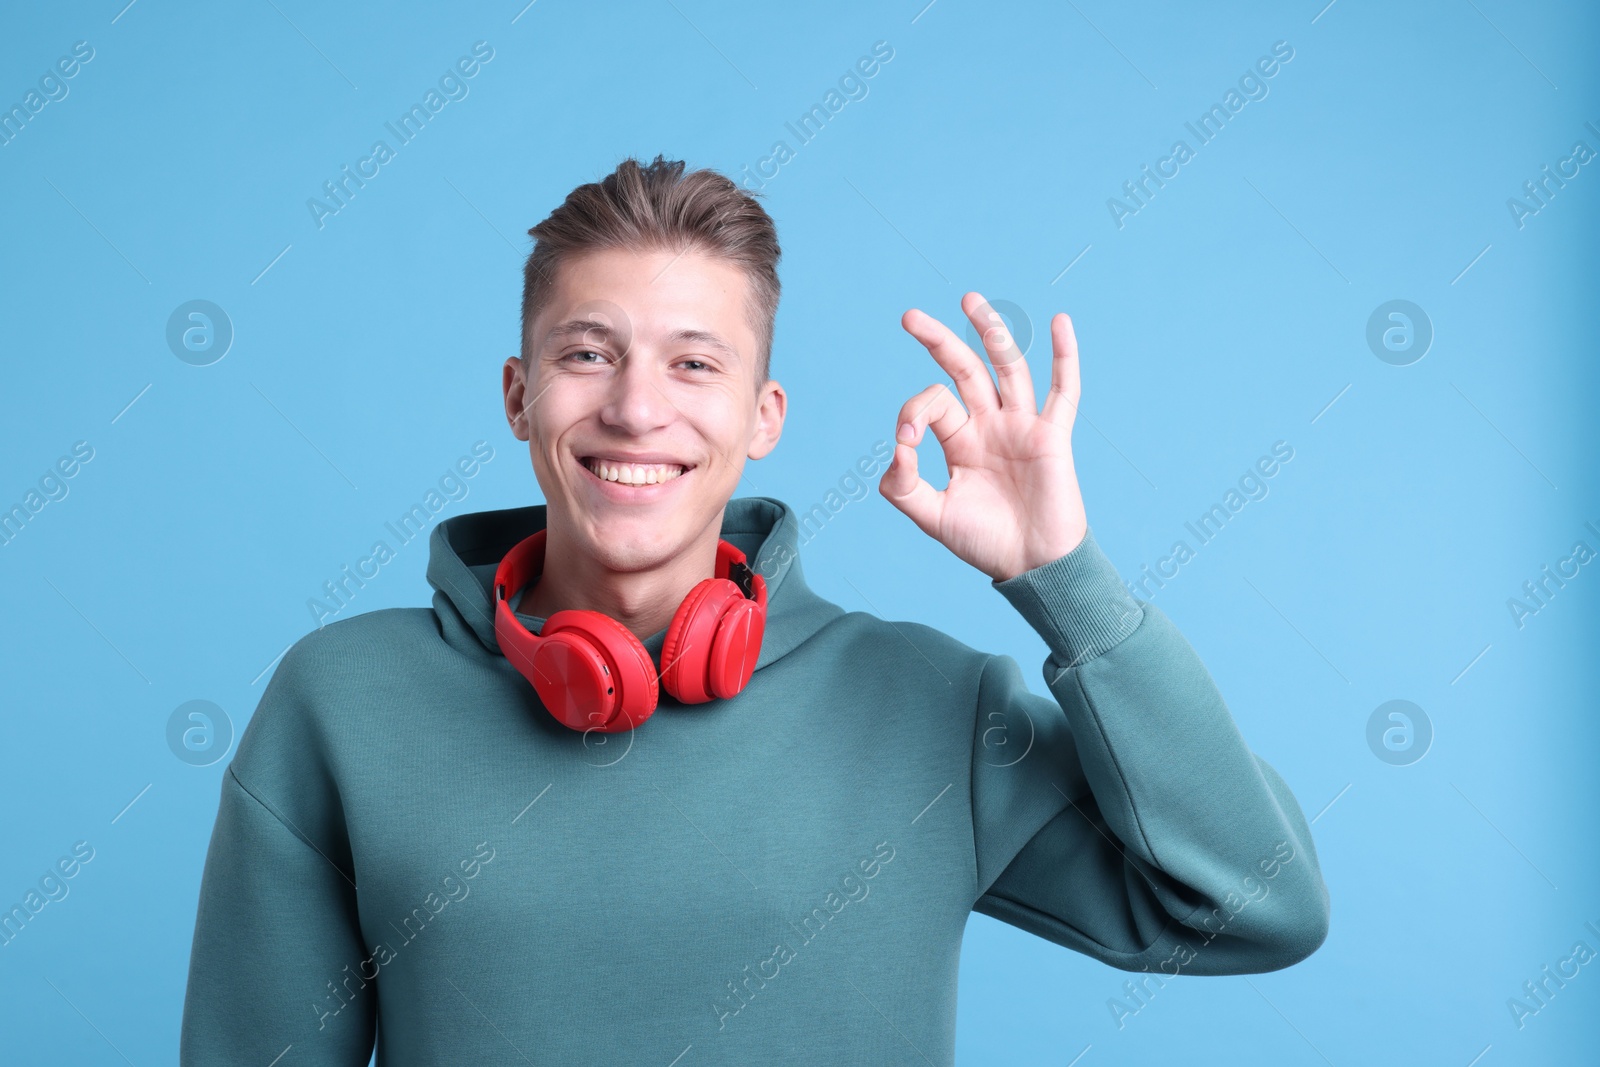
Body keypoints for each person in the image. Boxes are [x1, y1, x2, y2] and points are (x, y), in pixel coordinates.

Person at [180, 155, 1329, 1064]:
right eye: (588, 353)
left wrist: (1064, 575)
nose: (636, 409)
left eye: (693, 364)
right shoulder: (344, 702)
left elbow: (1257, 905)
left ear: (762, 415)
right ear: (520, 397)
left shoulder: (929, 705)